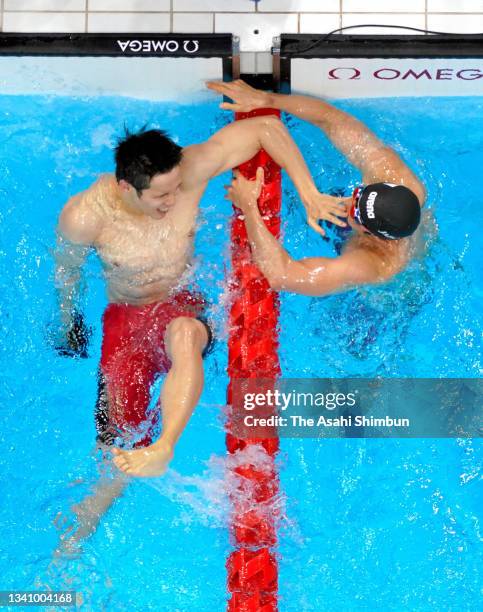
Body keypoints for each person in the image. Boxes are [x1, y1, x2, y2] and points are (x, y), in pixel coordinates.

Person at [54, 117, 336, 543]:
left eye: (176, 187)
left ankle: (165, 445)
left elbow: (263, 130)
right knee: (116, 455)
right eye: (161, 195)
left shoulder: (190, 170)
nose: (174, 198)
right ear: (127, 187)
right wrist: (67, 321)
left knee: (185, 332)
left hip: (182, 304)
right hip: (126, 319)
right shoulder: (84, 217)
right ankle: (71, 546)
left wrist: (310, 192)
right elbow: (67, 274)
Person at [207, 80, 426, 296]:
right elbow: (331, 119)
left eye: (353, 211)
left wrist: (248, 206)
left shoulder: (370, 263)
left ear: (368, 232)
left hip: (376, 299)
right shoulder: (395, 175)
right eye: (358, 194)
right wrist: (267, 99)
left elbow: (281, 276)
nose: (349, 201)